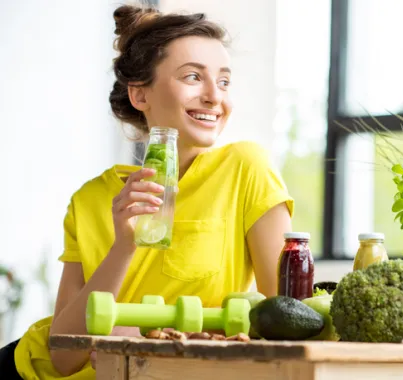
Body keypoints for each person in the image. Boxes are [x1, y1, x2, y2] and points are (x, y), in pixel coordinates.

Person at [3, 4, 294, 379]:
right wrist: (124, 245)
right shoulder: (90, 200)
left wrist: (139, 334)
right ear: (141, 96)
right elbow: (63, 357)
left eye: (223, 81)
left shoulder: (247, 169)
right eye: (193, 77)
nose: (213, 96)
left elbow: (286, 320)